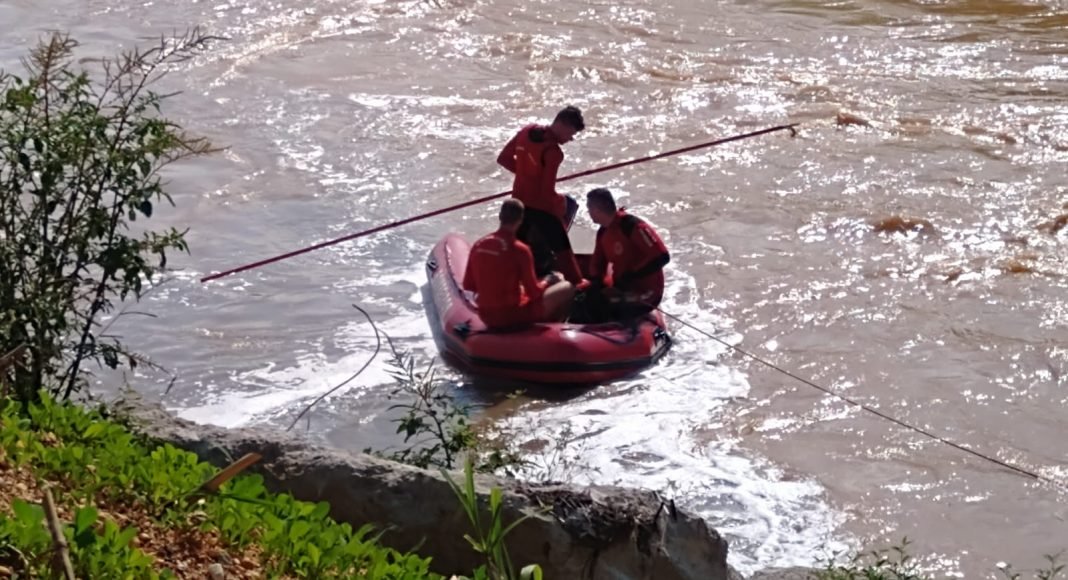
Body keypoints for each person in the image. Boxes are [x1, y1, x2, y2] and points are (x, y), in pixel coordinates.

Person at [496, 106, 587, 285]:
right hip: (540, 208)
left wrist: (525, 175)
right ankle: (578, 284)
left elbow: (503, 158)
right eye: (571, 133)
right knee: (563, 248)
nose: (570, 139)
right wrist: (561, 202)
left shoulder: (525, 131)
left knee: (515, 245)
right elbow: (547, 193)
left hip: (518, 203)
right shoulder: (553, 153)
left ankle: (512, 280)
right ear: (563, 125)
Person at [462, 199, 576, 330]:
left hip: (486, 316)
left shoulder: (478, 245)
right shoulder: (520, 249)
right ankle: (556, 328)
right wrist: (548, 280)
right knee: (567, 285)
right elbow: (534, 293)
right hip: (514, 316)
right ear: (520, 220)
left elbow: (469, 285)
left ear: (500, 216)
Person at [584, 187, 670, 320]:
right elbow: (597, 264)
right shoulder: (603, 232)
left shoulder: (631, 226)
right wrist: (597, 286)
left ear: (597, 209)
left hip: (646, 291)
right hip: (622, 287)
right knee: (586, 300)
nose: (588, 212)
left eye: (589, 208)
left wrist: (632, 275)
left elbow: (662, 256)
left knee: (604, 307)